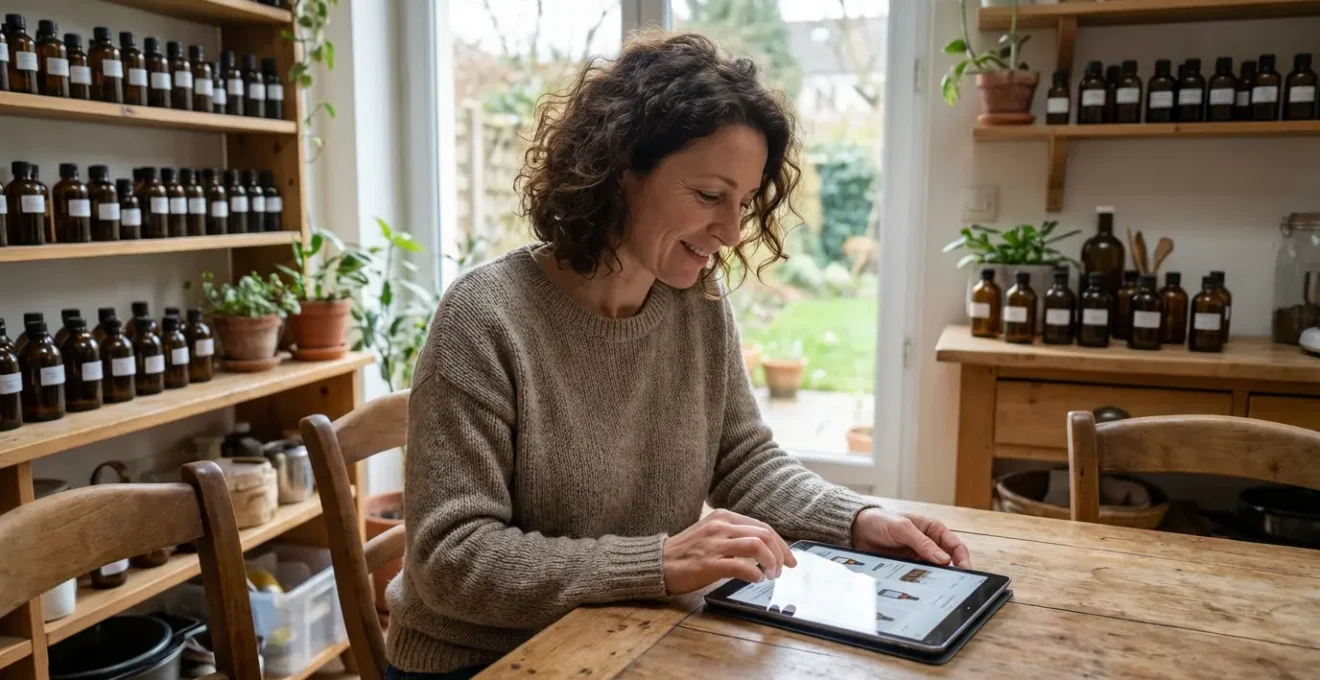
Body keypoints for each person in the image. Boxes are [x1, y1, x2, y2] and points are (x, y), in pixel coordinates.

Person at [386, 32, 971, 680]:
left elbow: (742, 457)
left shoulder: (695, 303)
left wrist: (857, 521)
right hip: (482, 661)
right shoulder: (485, 318)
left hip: (630, 639)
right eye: (709, 195)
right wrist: (658, 564)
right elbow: (451, 559)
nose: (729, 233)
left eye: (743, 203)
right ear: (623, 167)